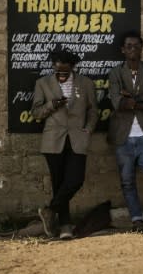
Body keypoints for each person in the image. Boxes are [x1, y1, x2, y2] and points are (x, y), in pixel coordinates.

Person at [32, 50, 98, 239]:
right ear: (53, 66)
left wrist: (89, 129)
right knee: (59, 184)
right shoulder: (42, 83)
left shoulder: (85, 83)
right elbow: (36, 112)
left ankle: (49, 210)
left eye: (65, 72)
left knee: (75, 180)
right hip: (53, 140)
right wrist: (52, 105)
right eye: (58, 71)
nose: (61, 75)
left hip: (78, 138)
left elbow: (93, 110)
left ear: (72, 68)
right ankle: (65, 227)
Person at [107, 31, 143, 232]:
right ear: (122, 49)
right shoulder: (115, 73)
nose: (132, 49)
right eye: (128, 46)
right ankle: (137, 219)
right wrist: (141, 98)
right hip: (123, 136)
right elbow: (117, 103)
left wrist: (130, 98)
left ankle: (136, 160)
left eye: (136, 46)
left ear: (142, 48)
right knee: (127, 181)